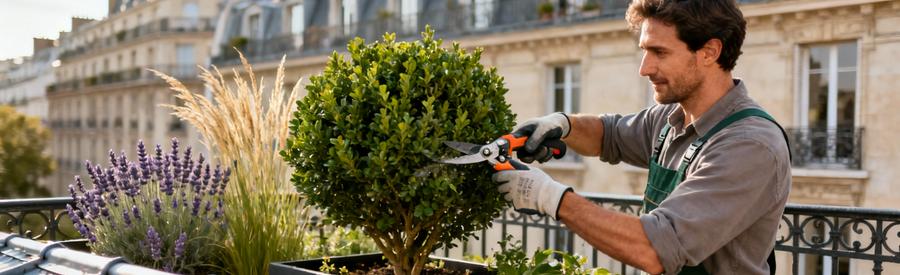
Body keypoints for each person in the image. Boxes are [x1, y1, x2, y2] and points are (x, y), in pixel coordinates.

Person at [492, 0, 791, 274]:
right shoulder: (671, 116)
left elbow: (655, 248)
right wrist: (561, 124)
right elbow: (608, 135)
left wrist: (549, 197)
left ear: (709, 52)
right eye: (644, 51)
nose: (644, 68)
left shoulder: (750, 145)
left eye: (659, 52)